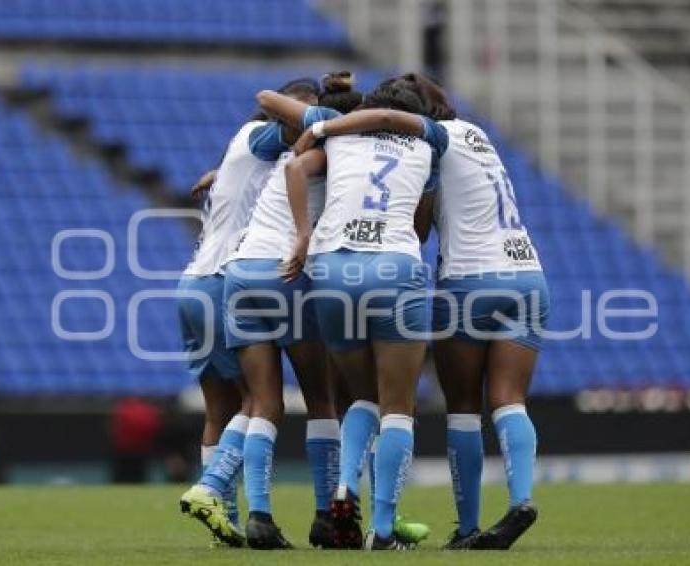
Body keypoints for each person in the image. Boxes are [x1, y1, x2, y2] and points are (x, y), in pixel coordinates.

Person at [282, 79, 448, 550]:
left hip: (332, 269)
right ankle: (381, 528)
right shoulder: (429, 141)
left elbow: (296, 167)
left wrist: (301, 236)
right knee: (398, 408)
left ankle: (343, 488)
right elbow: (419, 229)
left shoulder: (338, 137)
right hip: (393, 268)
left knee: (361, 397)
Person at [404, 72, 549, 550]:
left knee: (463, 409)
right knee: (509, 398)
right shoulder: (476, 133)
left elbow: (420, 232)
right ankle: (521, 498)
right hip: (527, 274)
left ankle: (467, 527)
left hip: (469, 281)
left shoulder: (430, 143)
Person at [221, 73, 362, 549]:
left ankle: (259, 514)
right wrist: (305, 235)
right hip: (284, 271)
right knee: (320, 399)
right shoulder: (341, 151)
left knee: (264, 403)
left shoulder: (286, 149)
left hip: (240, 270)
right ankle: (326, 514)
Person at [177, 78, 316, 547]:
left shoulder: (245, 147)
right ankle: (211, 489)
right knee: (263, 404)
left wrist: (217, 172)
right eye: (306, 113)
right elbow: (293, 138)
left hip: (193, 283)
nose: (311, 125)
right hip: (223, 282)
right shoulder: (263, 135)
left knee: (221, 410)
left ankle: (225, 525)